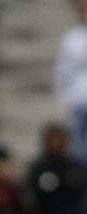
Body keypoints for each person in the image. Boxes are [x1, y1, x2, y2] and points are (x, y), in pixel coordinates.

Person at [55, 0, 87, 164]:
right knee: (79, 148)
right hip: (79, 99)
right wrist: (62, 94)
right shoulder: (72, 38)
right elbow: (64, 69)